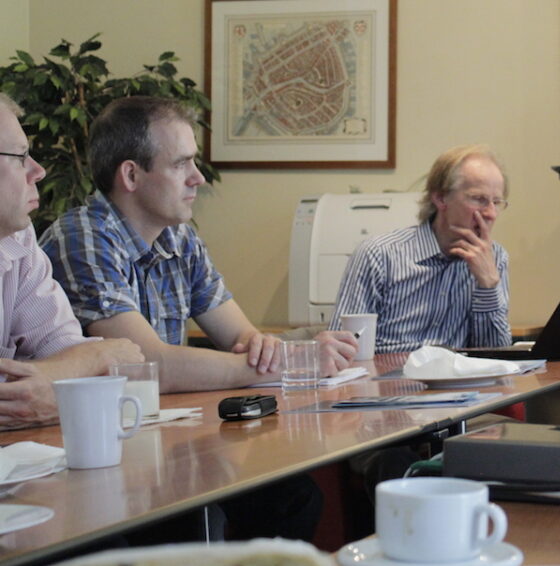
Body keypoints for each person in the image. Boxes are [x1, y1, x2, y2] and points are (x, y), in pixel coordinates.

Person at [40, 96, 358, 391]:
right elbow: (146, 366)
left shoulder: (180, 238)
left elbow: (243, 338)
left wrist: (272, 350)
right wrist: (297, 361)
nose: (198, 178)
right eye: (181, 164)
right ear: (131, 176)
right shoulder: (82, 237)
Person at [0, 93, 143, 429]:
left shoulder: (17, 240)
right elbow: (89, 366)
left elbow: (72, 350)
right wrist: (93, 358)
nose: (38, 170)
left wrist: (89, 359)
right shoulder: (83, 234)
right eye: (20, 156)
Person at [330, 144, 510, 352]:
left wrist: (487, 285)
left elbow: (497, 356)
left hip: (458, 382)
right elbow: (342, 352)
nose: (491, 214)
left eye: (496, 202)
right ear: (441, 198)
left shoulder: (495, 258)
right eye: (479, 199)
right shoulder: (379, 255)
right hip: (387, 380)